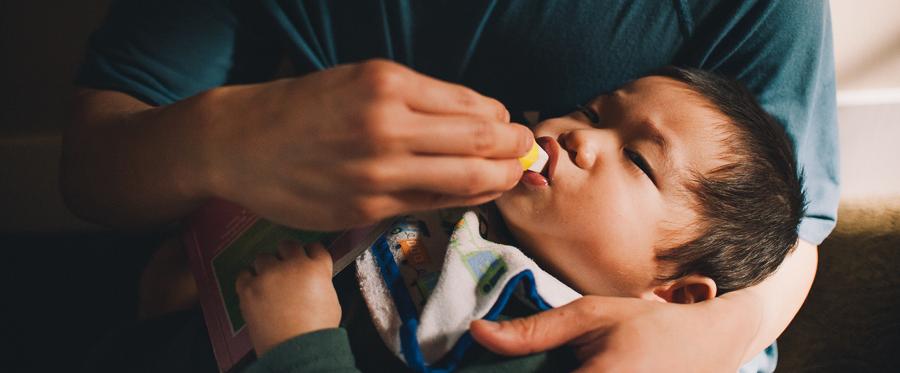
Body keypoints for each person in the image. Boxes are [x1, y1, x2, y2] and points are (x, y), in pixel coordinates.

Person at [59, 0, 840, 372]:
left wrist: (712, 335)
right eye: (596, 108)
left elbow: (788, 239)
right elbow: (93, 166)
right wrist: (224, 148)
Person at [235, 67, 807, 373]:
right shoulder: (477, 210)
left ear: (677, 297)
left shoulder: (547, 349)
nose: (581, 135)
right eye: (593, 111)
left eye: (637, 159)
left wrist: (299, 342)